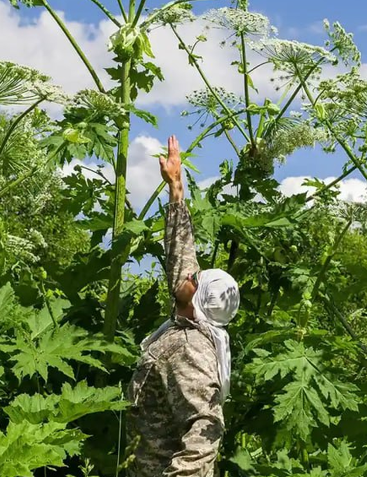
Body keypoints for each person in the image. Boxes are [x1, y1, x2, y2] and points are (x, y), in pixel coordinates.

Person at [126, 135, 241, 477]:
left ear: (197, 299)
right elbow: (182, 258)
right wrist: (176, 187)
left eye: (195, 279)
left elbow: (206, 428)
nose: (189, 274)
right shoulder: (190, 321)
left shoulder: (191, 349)